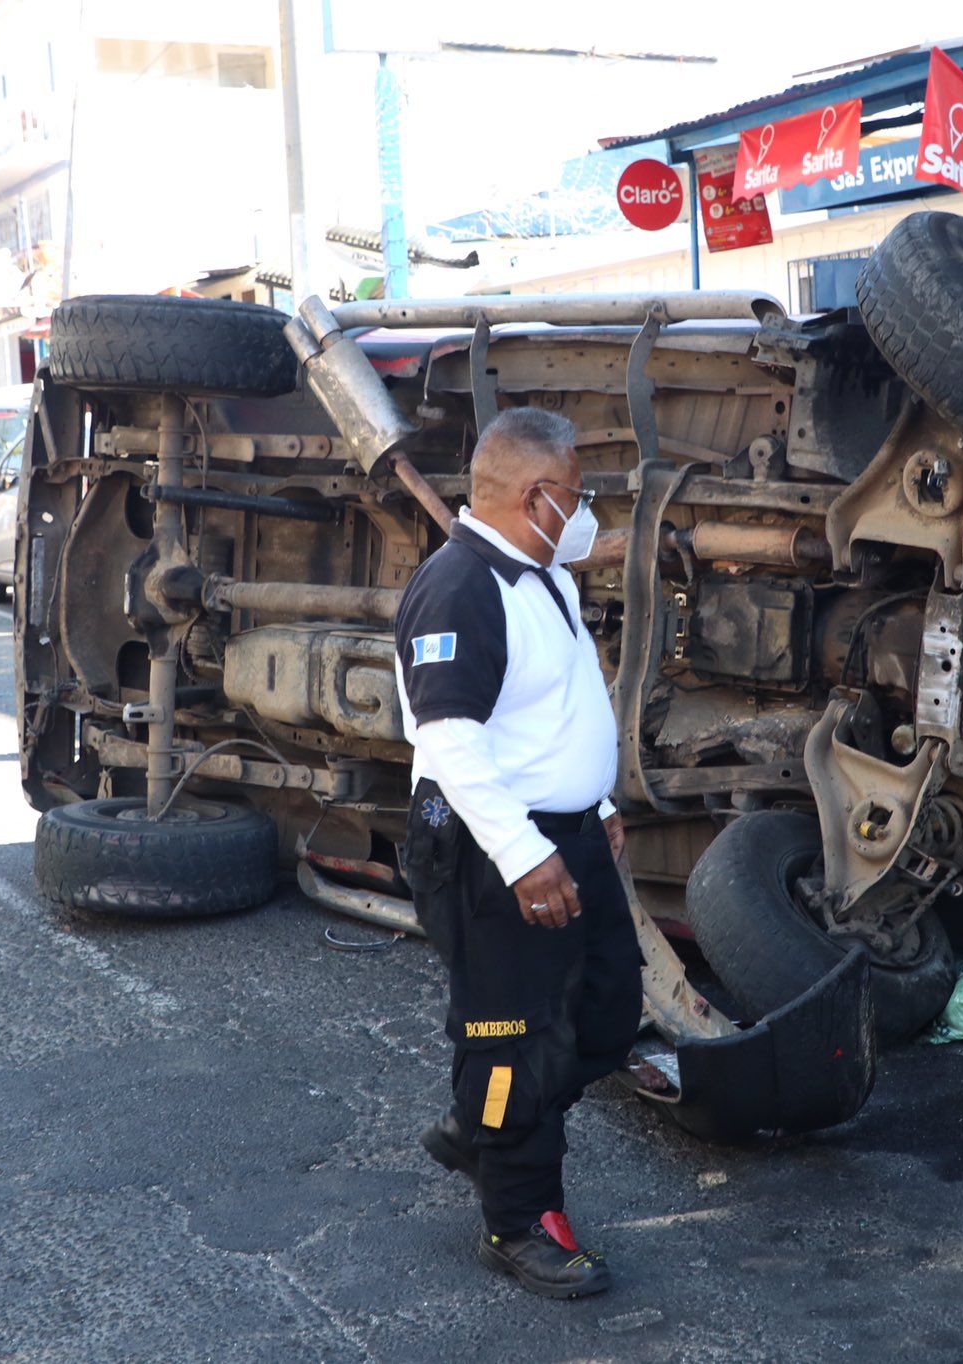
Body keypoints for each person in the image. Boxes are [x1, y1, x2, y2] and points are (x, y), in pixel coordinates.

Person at [393, 407, 637, 1300]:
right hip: (498, 849)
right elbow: (451, 743)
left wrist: (596, 800)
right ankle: (519, 1220)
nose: (585, 515)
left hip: (563, 833)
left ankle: (480, 1129)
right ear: (535, 497)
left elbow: (553, 707)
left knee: (609, 1012)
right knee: (513, 1045)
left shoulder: (546, 577)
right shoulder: (459, 587)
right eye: (575, 497)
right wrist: (526, 856)